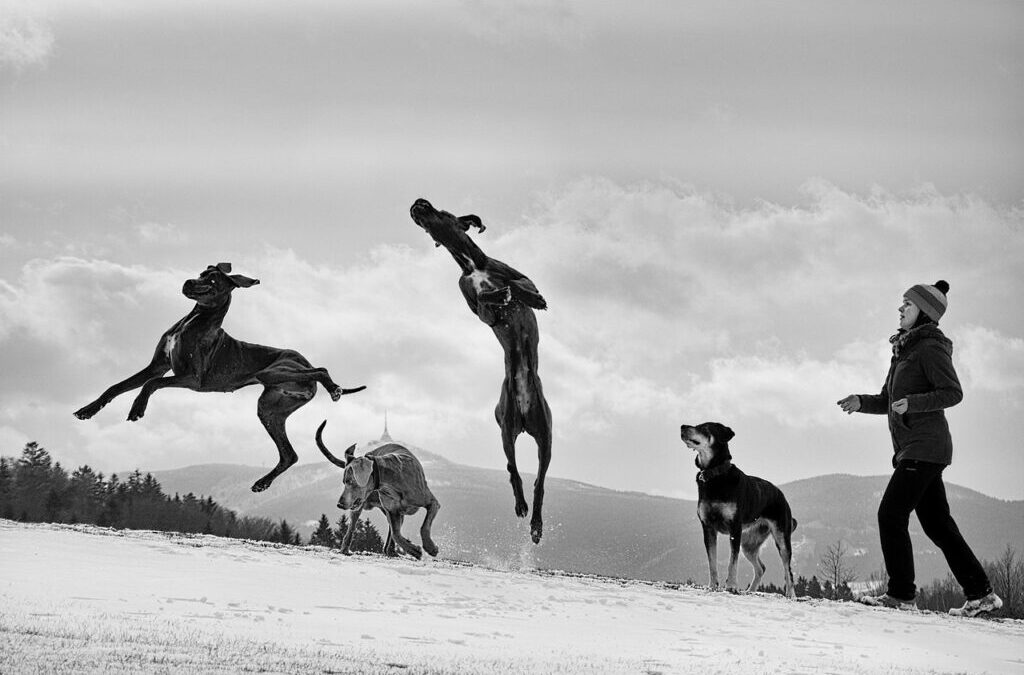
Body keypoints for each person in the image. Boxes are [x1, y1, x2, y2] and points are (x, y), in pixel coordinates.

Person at [837, 280, 1002, 617]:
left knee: (890, 514)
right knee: (938, 524)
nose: (900, 309)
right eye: (902, 303)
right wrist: (861, 402)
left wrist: (912, 403)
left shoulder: (929, 347)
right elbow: (888, 400)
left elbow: (952, 392)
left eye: (907, 304)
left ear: (924, 312)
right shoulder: (904, 351)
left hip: (925, 446)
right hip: (915, 448)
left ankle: (901, 594)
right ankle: (981, 594)